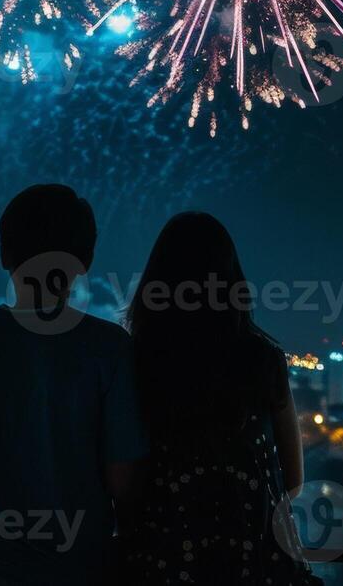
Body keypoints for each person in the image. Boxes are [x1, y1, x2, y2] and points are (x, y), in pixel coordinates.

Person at [0, 185, 148, 586]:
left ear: (5, 255)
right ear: (85, 262)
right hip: (81, 567)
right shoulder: (110, 349)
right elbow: (123, 479)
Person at [123, 212, 316, 584]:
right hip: (259, 564)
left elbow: (126, 481)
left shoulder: (135, 362)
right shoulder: (264, 361)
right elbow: (292, 481)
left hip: (163, 560)